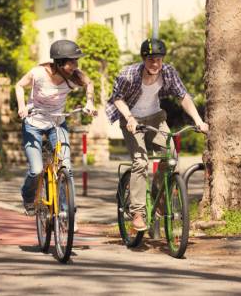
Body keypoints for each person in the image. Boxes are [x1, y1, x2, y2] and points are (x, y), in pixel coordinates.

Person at [106, 38, 209, 231]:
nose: (155, 64)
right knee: (141, 161)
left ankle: (158, 198)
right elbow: (117, 99)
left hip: (155, 117)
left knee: (171, 157)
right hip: (132, 120)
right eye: (151, 59)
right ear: (143, 59)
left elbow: (183, 96)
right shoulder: (129, 74)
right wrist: (129, 118)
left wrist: (198, 120)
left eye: (159, 59)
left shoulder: (168, 72)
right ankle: (138, 212)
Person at [15, 39, 95, 215]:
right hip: (33, 123)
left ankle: (66, 212)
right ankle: (28, 197)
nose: (75, 65)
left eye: (76, 61)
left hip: (57, 123)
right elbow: (19, 85)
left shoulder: (75, 76)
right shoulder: (38, 73)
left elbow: (89, 84)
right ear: (59, 62)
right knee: (36, 170)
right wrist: (22, 106)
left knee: (66, 167)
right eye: (71, 61)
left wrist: (89, 103)